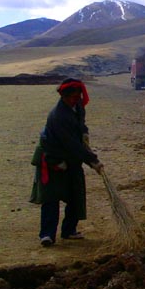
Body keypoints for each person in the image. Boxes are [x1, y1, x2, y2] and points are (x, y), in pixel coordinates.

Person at [30, 78, 103, 246]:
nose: (73, 100)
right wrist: (93, 161)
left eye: (76, 97)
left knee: (75, 193)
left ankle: (69, 230)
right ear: (63, 96)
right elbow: (71, 144)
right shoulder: (58, 116)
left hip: (71, 158)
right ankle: (47, 234)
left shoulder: (78, 107)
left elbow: (80, 126)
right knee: (51, 197)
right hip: (52, 157)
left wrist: (84, 133)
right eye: (70, 97)